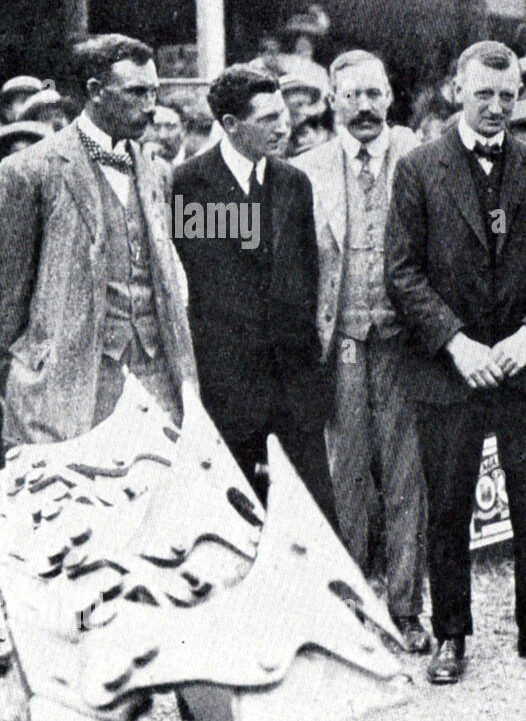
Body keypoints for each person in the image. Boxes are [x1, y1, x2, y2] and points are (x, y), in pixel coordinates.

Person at [385, 41, 526, 684]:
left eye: (508, 95)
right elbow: (402, 272)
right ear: (456, 90)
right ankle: (452, 635)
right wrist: (456, 343)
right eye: (484, 95)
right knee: (448, 504)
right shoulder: (418, 169)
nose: (498, 107)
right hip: (452, 371)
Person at [293, 50, 429, 653]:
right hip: (341, 340)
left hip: (403, 340)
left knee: (406, 477)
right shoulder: (308, 168)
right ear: (333, 101)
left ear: (391, 98)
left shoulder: (421, 158)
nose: (365, 107)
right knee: (345, 475)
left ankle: (406, 608)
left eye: (375, 94)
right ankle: (352, 608)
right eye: (352, 96)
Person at [0, 34, 196, 447]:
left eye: (154, 92)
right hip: (73, 386)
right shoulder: (30, 170)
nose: (151, 105)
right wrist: (25, 376)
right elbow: (9, 300)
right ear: (95, 92)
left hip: (155, 379)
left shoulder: (156, 171)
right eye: (137, 92)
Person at [171, 64, 335, 518]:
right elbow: (197, 278)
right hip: (230, 389)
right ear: (229, 125)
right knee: (239, 517)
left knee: (309, 517)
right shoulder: (188, 186)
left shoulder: (293, 183)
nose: (283, 127)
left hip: (293, 388)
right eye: (267, 120)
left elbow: (305, 277)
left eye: (283, 115)